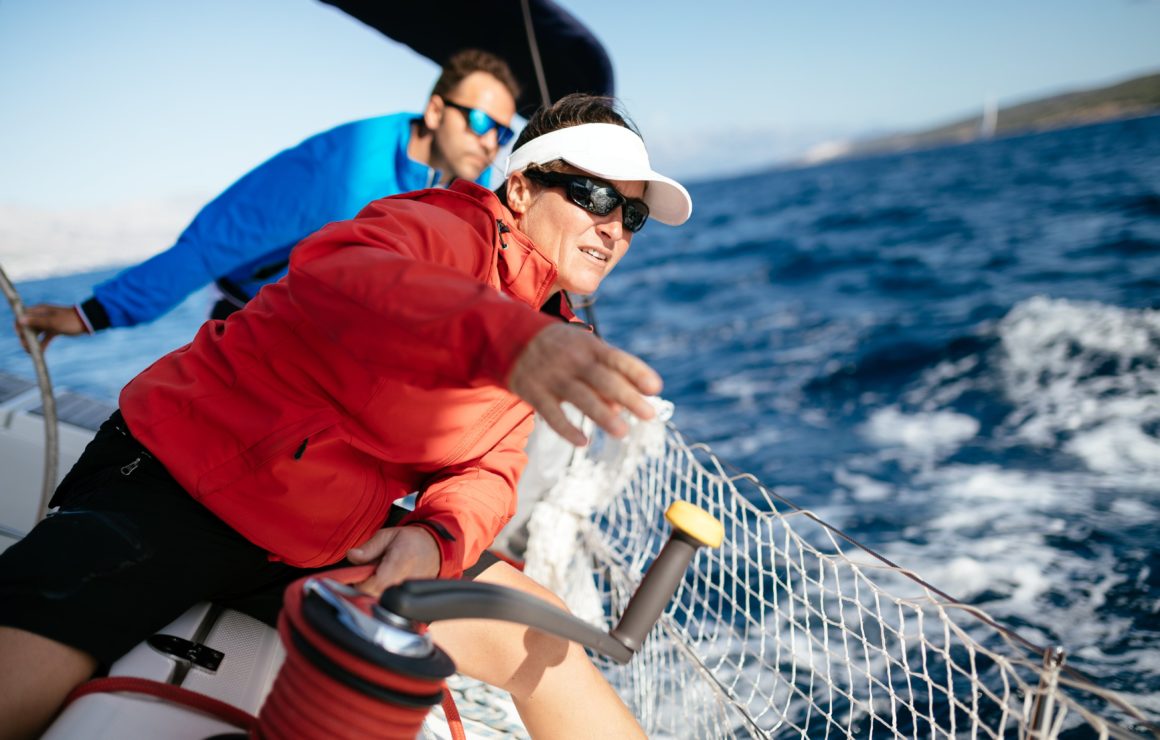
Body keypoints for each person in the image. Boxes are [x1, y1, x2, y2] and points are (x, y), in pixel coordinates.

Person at [0, 93, 692, 739]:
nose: (612, 228)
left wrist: (435, 536)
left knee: (548, 639)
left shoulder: (551, 324)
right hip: (176, 488)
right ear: (519, 187)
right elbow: (340, 272)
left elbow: (490, 466)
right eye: (594, 195)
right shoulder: (445, 228)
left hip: (322, 539)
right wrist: (510, 340)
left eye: (629, 214)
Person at [15, 48, 519, 348]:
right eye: (479, 121)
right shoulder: (344, 165)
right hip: (248, 334)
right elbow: (218, 240)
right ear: (435, 110)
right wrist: (93, 314)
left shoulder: (439, 187)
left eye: (501, 131)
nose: (489, 141)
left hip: (330, 341)